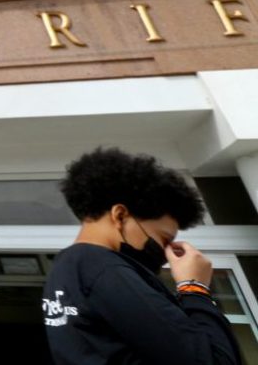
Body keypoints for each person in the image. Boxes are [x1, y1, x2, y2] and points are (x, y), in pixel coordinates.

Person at [42, 145, 240, 365]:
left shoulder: (66, 268)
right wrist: (195, 288)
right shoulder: (106, 270)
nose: (166, 252)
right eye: (164, 239)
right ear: (120, 215)